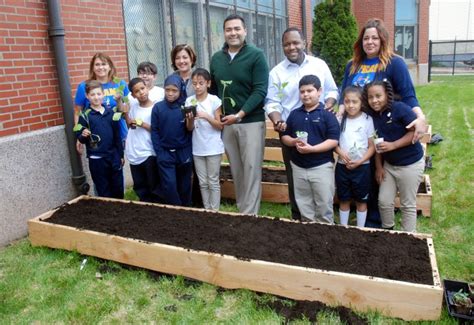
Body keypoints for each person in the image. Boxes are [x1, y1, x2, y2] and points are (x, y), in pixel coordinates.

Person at [265, 27, 338, 220]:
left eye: (295, 42)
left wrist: (328, 106)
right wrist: (277, 120)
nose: (291, 47)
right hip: (291, 132)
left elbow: (332, 91)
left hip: (318, 129)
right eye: (287, 44)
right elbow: (272, 102)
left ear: (304, 42)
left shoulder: (319, 65)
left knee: (321, 174)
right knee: (295, 178)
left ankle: (324, 219)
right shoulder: (276, 73)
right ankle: (300, 220)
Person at [210, 14, 269, 215]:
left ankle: (250, 215)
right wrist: (219, 116)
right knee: (236, 168)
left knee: (251, 168)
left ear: (245, 31)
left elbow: (260, 90)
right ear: (224, 33)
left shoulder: (256, 55)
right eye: (228, 29)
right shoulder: (217, 59)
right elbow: (214, 92)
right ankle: (242, 207)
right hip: (227, 123)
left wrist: (241, 114)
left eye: (237, 29)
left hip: (250, 121)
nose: (233, 33)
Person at [339, 18, 426, 141]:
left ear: (382, 40)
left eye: (375, 38)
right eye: (366, 38)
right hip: (356, 128)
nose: (369, 42)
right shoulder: (352, 65)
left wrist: (420, 117)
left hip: (383, 126)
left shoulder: (395, 63)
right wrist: (341, 111)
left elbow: (408, 95)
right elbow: (344, 95)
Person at [365, 79, 424, 232]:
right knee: (383, 201)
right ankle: (388, 231)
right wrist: (378, 167)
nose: (374, 100)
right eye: (371, 97)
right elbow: (378, 143)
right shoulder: (373, 116)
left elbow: (414, 133)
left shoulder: (401, 109)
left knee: (407, 204)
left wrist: (393, 145)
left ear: (387, 95)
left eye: (378, 96)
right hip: (389, 165)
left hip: (410, 164)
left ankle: (408, 235)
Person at [281, 75, 340, 223]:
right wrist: (294, 141)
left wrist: (312, 149)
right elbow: (284, 137)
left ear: (319, 91)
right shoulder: (294, 114)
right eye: (302, 91)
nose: (306, 94)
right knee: (303, 202)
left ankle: (325, 231)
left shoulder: (327, 114)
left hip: (321, 166)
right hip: (298, 166)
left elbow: (333, 140)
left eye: (309, 90)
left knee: (323, 202)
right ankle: (307, 229)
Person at [74, 80, 124, 199]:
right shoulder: (85, 115)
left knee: (118, 187)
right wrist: (83, 135)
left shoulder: (110, 113)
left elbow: (117, 135)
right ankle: (107, 213)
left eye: (98, 94)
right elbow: (81, 137)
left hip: (113, 156)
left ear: (103, 94)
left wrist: (120, 155)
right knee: (103, 189)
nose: (96, 97)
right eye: (92, 95)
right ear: (87, 96)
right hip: (97, 159)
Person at [151, 74, 194, 206]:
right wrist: (160, 152)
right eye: (167, 90)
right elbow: (155, 131)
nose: (170, 93)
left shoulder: (185, 107)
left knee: (185, 185)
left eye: (174, 91)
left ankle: (186, 210)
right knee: (169, 185)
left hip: (183, 152)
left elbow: (190, 130)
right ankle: (175, 211)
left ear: (180, 90)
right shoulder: (158, 107)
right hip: (165, 153)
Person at [334, 86, 375, 227]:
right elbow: (333, 142)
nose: (350, 105)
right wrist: (340, 152)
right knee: (344, 199)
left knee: (361, 200)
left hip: (362, 167)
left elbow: (372, 146)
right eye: (347, 101)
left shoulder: (367, 120)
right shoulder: (339, 120)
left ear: (361, 102)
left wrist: (360, 161)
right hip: (342, 166)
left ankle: (360, 229)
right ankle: (343, 228)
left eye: (354, 101)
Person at [185, 68, 224, 210]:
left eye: (201, 83)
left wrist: (206, 116)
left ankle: (215, 210)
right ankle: (207, 209)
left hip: (213, 147)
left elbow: (220, 125)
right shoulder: (189, 100)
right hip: (197, 147)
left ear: (208, 83)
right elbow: (189, 128)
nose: (197, 87)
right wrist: (189, 119)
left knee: (213, 180)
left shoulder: (214, 100)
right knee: (202, 182)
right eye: (194, 84)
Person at [74, 53, 129, 153]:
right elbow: (78, 112)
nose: (101, 67)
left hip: (119, 133)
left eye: (104, 64)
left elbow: (128, 108)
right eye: (97, 64)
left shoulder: (120, 83)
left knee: (118, 164)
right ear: (92, 67)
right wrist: (79, 134)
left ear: (110, 66)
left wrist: (120, 104)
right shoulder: (84, 86)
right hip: (97, 136)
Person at [125, 77, 160, 203]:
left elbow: (157, 130)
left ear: (147, 88)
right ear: (133, 95)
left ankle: (156, 205)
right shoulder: (133, 106)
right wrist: (126, 114)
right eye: (137, 91)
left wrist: (143, 124)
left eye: (143, 88)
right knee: (140, 183)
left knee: (152, 183)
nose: (141, 92)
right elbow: (129, 124)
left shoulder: (156, 107)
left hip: (149, 150)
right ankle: (144, 205)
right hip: (134, 150)